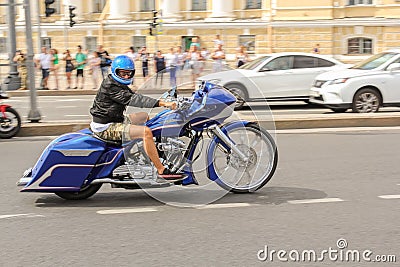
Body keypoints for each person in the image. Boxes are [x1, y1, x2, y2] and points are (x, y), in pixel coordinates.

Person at [89, 55, 185, 181]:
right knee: (146, 132)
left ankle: (147, 150)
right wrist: (162, 103)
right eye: (122, 73)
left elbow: (133, 96)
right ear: (114, 71)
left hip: (114, 119)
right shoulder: (110, 85)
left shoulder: (116, 82)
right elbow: (134, 99)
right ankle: (161, 170)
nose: (126, 76)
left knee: (143, 117)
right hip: (106, 126)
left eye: (129, 73)